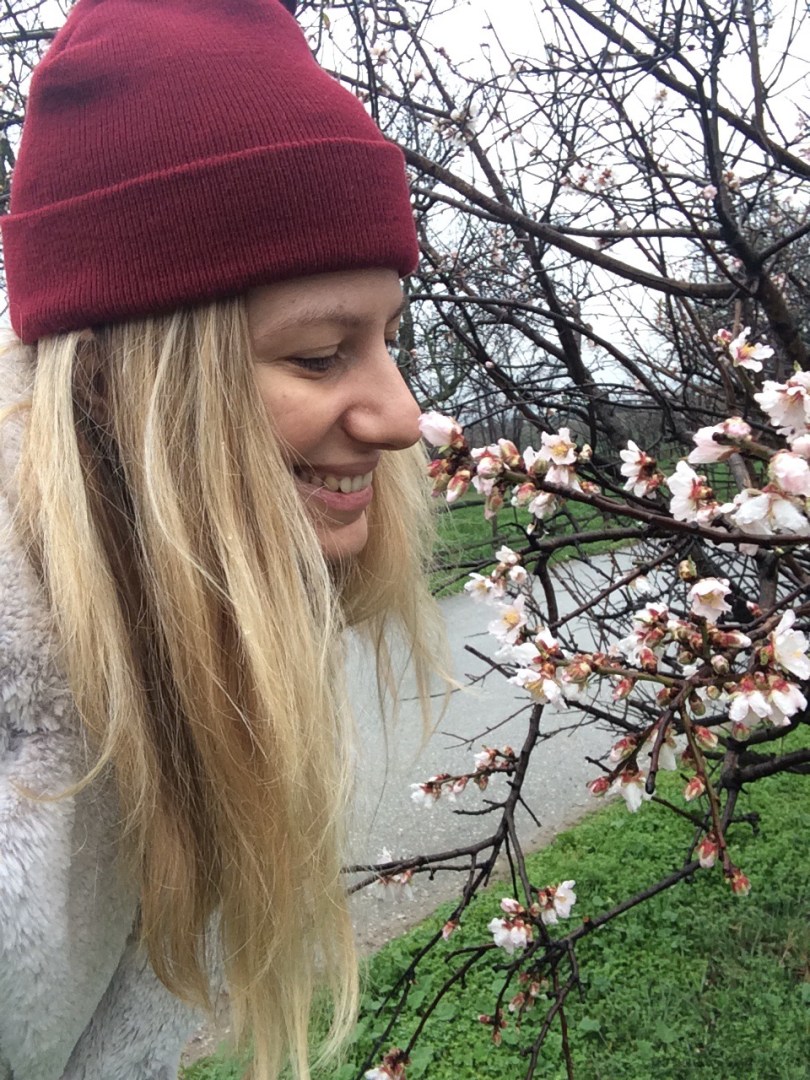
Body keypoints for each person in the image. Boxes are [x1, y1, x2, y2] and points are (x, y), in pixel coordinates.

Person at [0, 1, 444, 1077]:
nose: (402, 418)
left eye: (390, 338)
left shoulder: (175, 632)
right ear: (121, 390)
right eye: (320, 355)